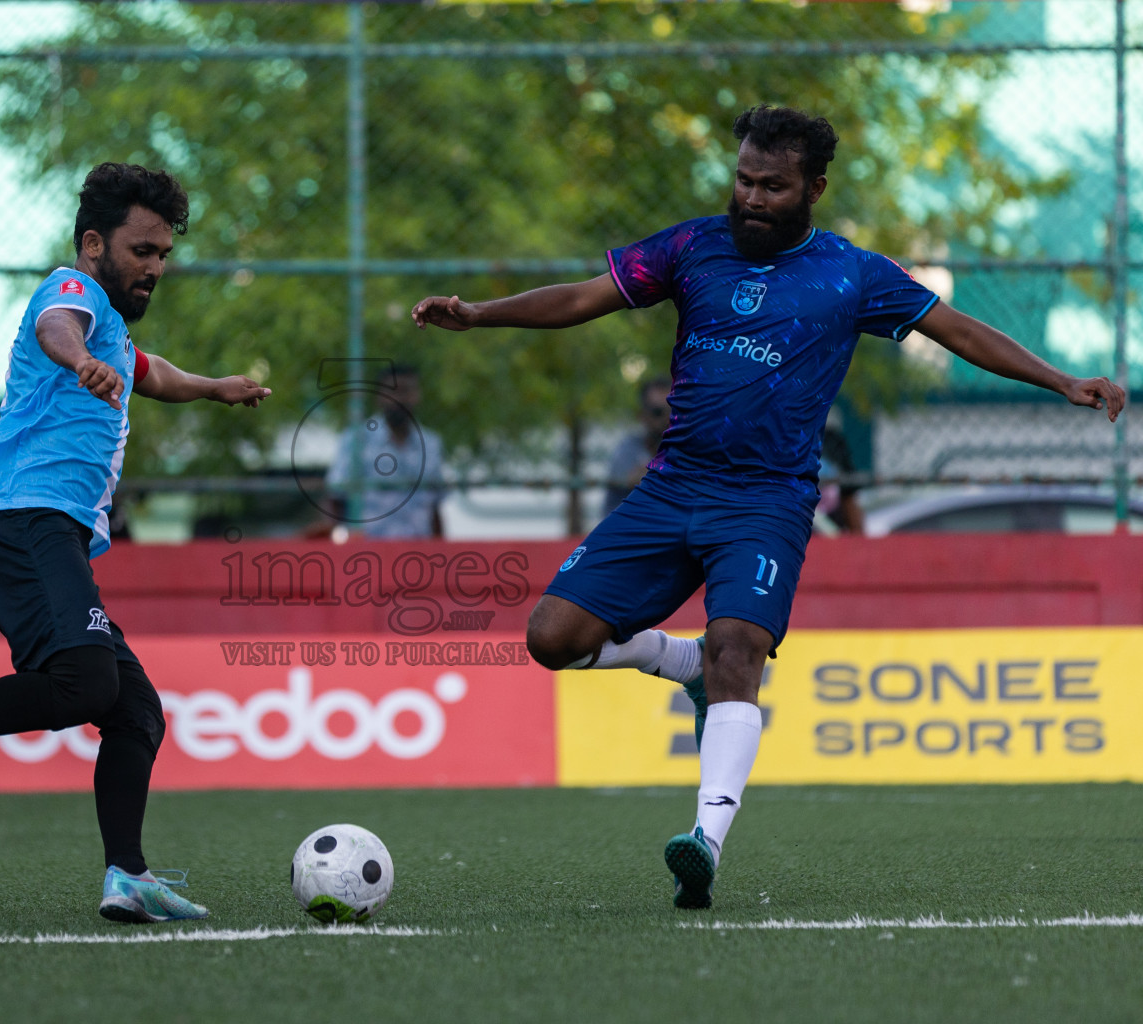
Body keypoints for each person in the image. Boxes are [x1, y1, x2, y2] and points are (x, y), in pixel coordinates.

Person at [411, 104, 1124, 910]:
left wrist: (1063, 380)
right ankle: (676, 662)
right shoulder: (691, 246)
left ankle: (704, 842)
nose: (750, 197)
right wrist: (478, 314)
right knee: (552, 640)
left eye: (772, 186)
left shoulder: (856, 274)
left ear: (814, 188)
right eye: (743, 179)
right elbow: (583, 298)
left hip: (767, 501)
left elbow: (956, 331)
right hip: (673, 485)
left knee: (739, 646)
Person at [0, 162, 270, 924]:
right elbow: (57, 330)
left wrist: (216, 388)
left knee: (135, 709)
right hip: (20, 520)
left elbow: (152, 373)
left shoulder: (111, 331)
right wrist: (80, 362)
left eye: (164, 254)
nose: (155, 267)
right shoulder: (71, 294)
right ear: (92, 245)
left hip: (50, 534)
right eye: (142, 250)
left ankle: (129, 876)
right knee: (85, 683)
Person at [324, 363, 445, 538]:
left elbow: (435, 507)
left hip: (419, 551)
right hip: (370, 551)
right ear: (380, 396)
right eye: (393, 392)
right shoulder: (356, 441)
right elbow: (335, 498)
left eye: (407, 391)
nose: (401, 399)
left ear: (418, 395)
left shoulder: (431, 444)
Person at [600, 374, 672, 517]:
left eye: (675, 410)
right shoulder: (627, 452)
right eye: (658, 412)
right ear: (642, 415)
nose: (668, 419)